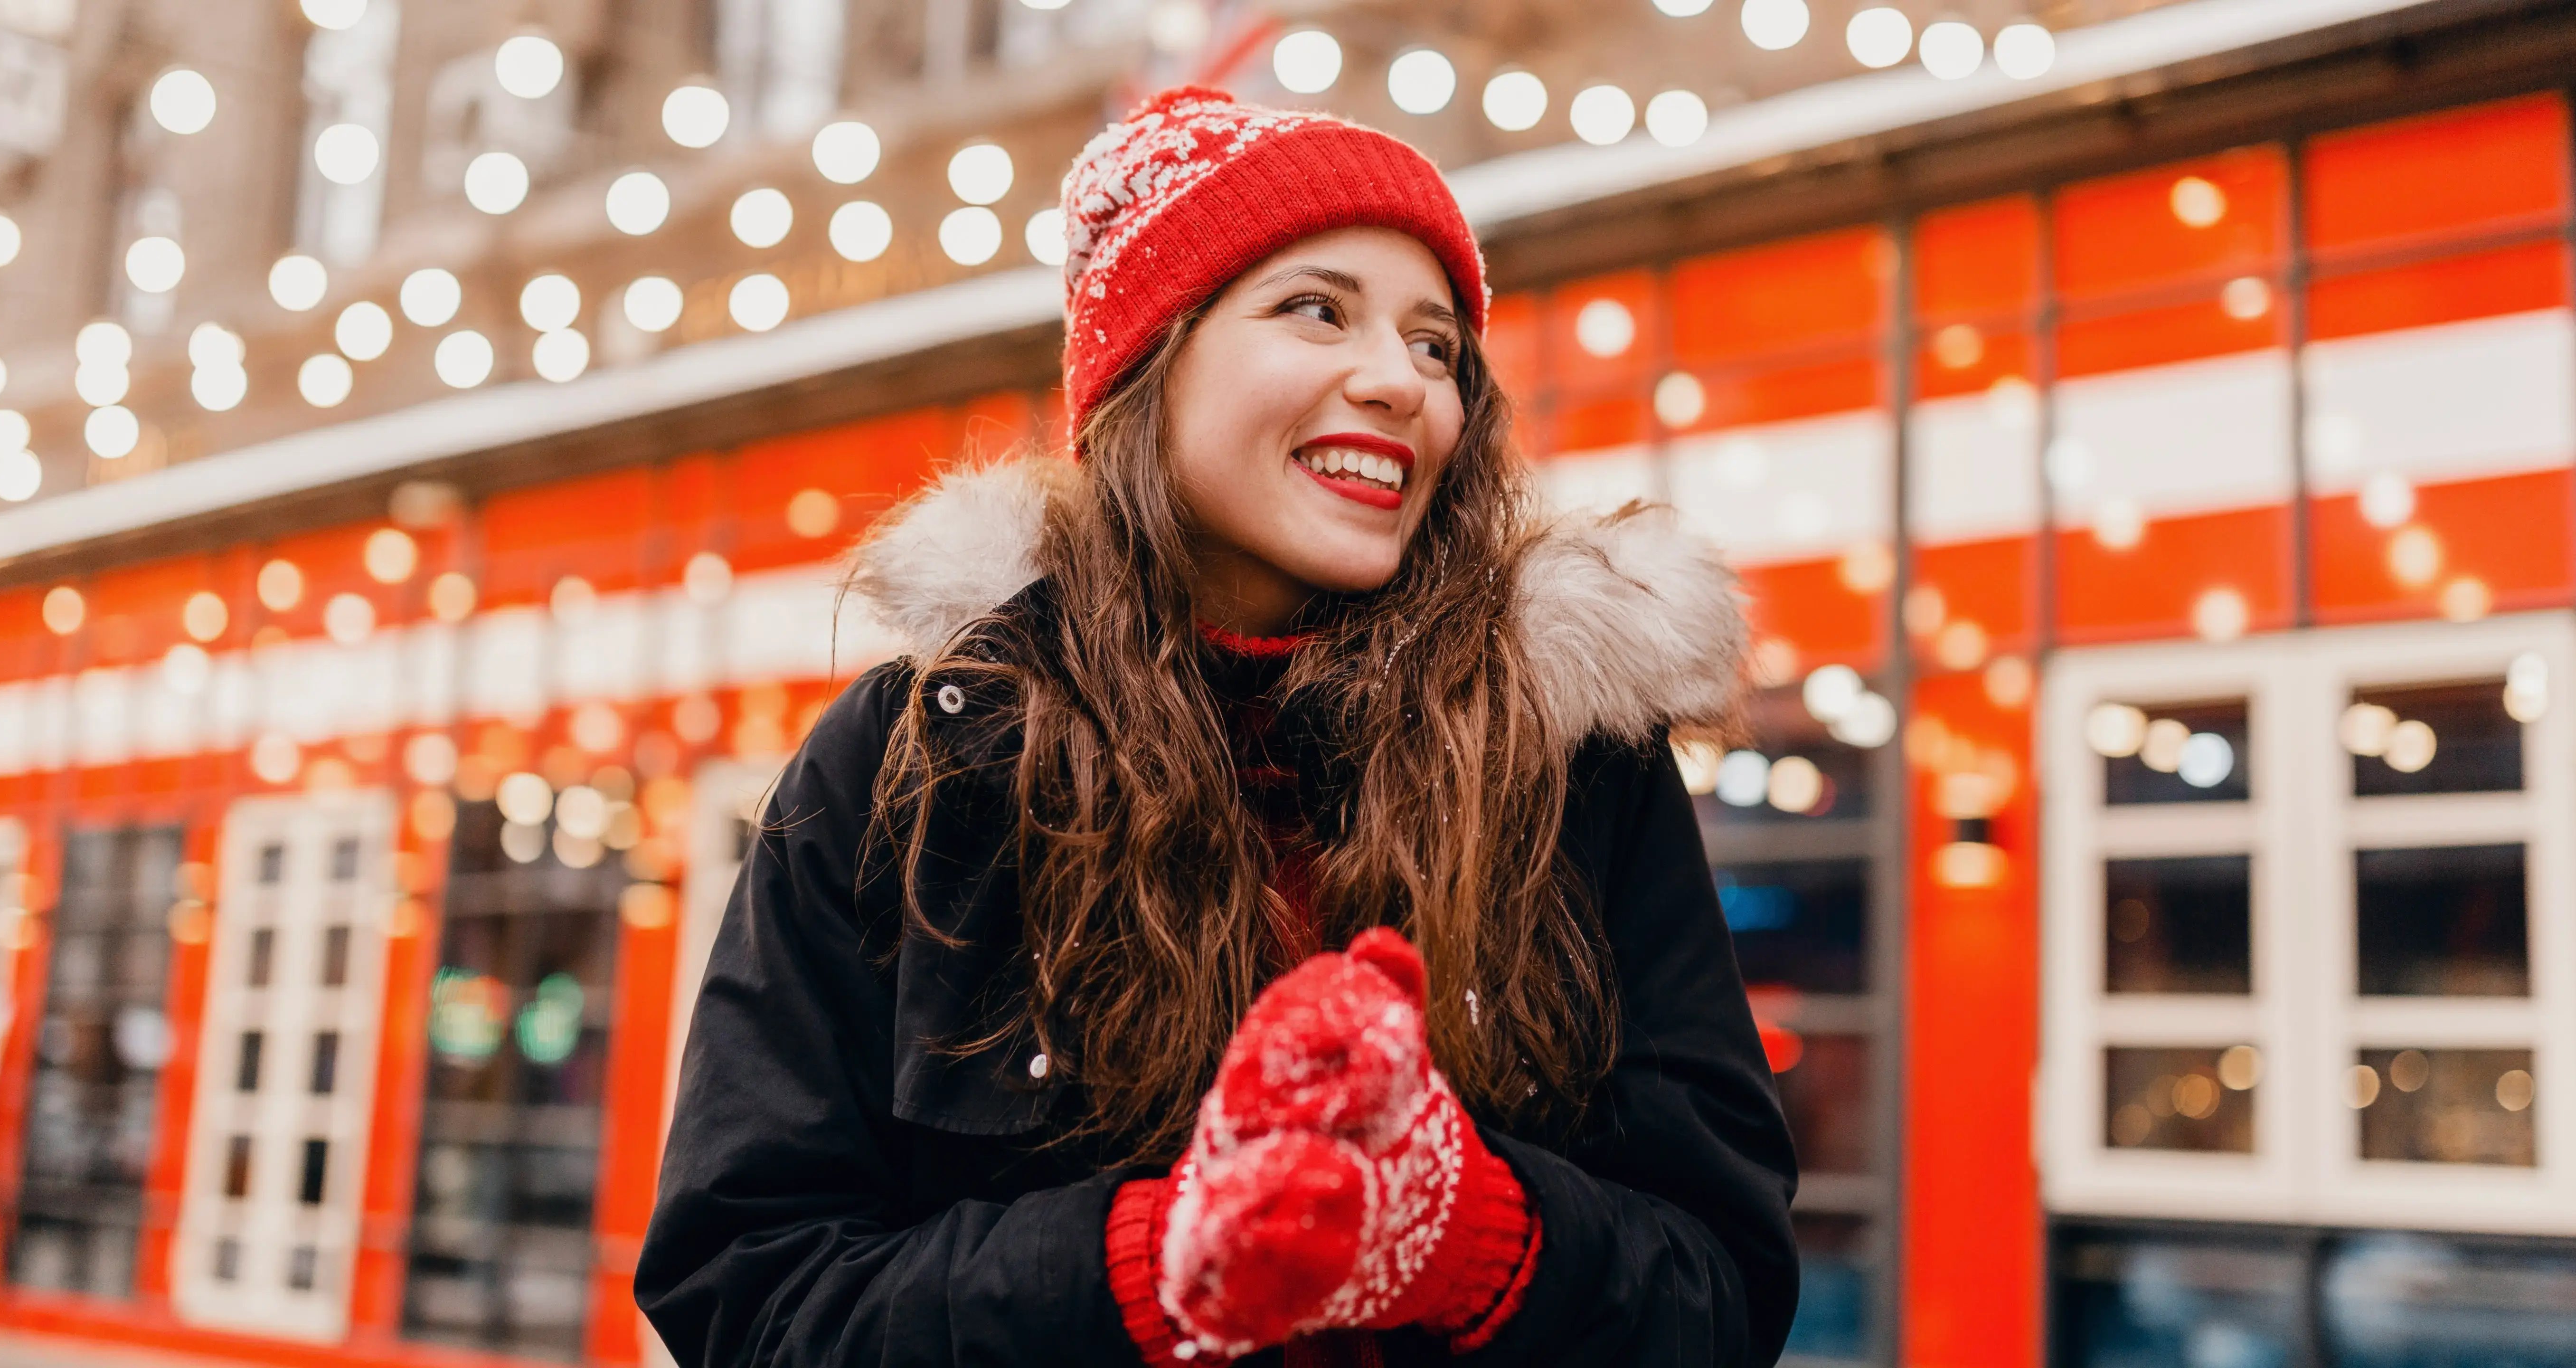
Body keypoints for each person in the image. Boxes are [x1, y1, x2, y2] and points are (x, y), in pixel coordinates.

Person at [636, 86, 1799, 1367]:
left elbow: (1724, 1290)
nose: (1400, 381)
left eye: (1436, 346)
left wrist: (1475, 1240)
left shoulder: (1571, 764)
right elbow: (748, 1291)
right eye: (1319, 308)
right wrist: (1148, 1267)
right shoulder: (917, 759)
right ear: (1153, 359)